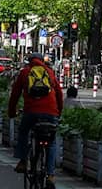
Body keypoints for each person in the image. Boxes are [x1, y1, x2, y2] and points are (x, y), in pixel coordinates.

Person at [8, 53, 64, 189]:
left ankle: (23, 161)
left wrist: (12, 112)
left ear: (29, 61)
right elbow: (59, 94)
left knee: (24, 131)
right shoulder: (49, 72)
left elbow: (15, 94)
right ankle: (50, 175)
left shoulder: (25, 73)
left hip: (31, 112)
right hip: (51, 113)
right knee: (51, 143)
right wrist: (58, 113)